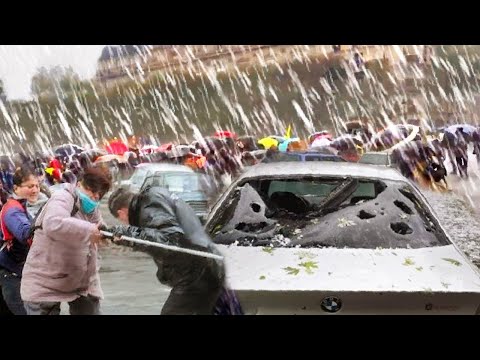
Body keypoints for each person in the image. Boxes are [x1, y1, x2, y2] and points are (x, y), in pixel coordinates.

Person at [107, 185, 225, 315]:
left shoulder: (150, 205)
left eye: (122, 220)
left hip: (196, 274)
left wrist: (126, 233)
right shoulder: (155, 199)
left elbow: (168, 242)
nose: (126, 223)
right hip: (205, 268)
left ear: (121, 212)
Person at [20, 167, 112, 315]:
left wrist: (110, 235)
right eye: (92, 191)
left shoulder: (92, 208)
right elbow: (53, 224)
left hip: (81, 282)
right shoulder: (63, 197)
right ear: (81, 184)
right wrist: (90, 231)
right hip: (44, 282)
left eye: (99, 195)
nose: (95, 197)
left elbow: (99, 227)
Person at [0, 166, 45, 315]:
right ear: (16, 188)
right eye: (30, 186)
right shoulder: (12, 210)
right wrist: (47, 217)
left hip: (19, 272)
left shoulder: (20, 207)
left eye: (37, 186)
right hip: (11, 275)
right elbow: (25, 233)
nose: (35, 190)